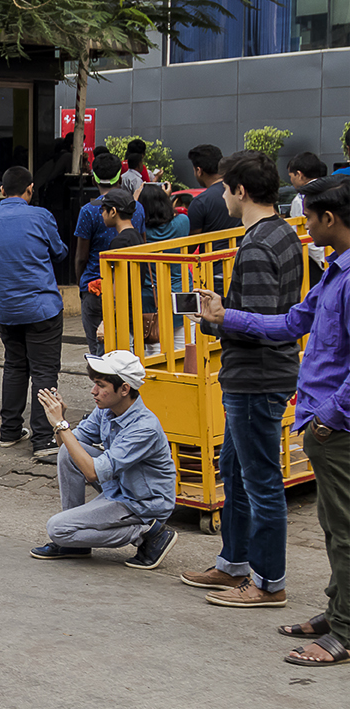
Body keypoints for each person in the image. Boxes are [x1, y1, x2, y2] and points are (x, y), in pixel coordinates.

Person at [195, 175, 350, 666]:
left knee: (342, 529)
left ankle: (344, 632)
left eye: (310, 215)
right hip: (318, 416)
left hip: (334, 424)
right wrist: (226, 316)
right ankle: (338, 609)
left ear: (330, 219)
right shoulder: (332, 272)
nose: (303, 222)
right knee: (332, 526)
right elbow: (289, 323)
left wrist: (328, 415)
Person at [180, 152, 304, 609]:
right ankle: (234, 563)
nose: (224, 196)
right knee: (234, 469)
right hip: (263, 374)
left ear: (240, 191)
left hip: (255, 378)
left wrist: (215, 318)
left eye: (227, 189)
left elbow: (258, 323)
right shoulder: (283, 234)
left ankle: (269, 581)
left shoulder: (255, 246)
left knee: (260, 481)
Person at [32, 351, 178, 569]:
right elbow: (68, 446)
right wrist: (59, 423)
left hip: (142, 502)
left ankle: (149, 533)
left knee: (57, 529)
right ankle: (74, 544)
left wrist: (61, 424)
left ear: (125, 389)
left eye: (100, 385)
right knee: (67, 452)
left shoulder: (144, 427)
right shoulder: (107, 410)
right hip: (118, 486)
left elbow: (92, 473)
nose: (94, 391)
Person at [0, 166, 67, 460]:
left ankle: (9, 431)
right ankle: (43, 439)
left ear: (2, 190)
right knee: (44, 371)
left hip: (4, 309)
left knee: (15, 367)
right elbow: (59, 252)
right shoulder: (41, 216)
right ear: (30, 188)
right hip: (41, 306)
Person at [74, 154, 147, 356]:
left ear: (93, 178)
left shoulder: (88, 211)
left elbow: (81, 256)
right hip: (129, 290)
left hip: (94, 287)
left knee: (99, 351)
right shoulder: (136, 208)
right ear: (121, 178)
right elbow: (143, 244)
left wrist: (81, 283)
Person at [136, 183, 192, 354]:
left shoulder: (141, 232)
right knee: (183, 346)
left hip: (151, 296)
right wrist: (165, 197)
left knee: (154, 349)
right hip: (181, 291)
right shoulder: (182, 223)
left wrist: (135, 200)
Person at [185, 144, 240, 236]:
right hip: (242, 249)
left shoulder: (200, 202)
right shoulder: (241, 192)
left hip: (214, 250)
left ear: (199, 171)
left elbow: (191, 244)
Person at [288, 151, 329, 270]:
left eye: (291, 176)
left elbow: (304, 235)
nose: (291, 181)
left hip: (318, 261)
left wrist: (323, 261)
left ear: (299, 175)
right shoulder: (331, 189)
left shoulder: (301, 198)